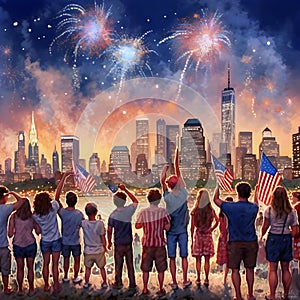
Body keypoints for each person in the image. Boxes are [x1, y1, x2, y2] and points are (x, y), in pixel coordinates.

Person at [213, 182, 258, 300]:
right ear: (249, 193)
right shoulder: (254, 208)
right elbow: (256, 203)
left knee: (235, 269)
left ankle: (238, 295)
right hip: (251, 242)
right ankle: (250, 294)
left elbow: (216, 199)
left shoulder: (230, 207)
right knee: (250, 269)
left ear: (237, 193)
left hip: (235, 242)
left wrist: (218, 185)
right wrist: (257, 191)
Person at [160, 147, 191, 289]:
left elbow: (162, 180)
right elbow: (178, 171)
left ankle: (173, 281)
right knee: (184, 256)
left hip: (171, 232)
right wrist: (176, 160)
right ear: (179, 183)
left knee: (172, 257)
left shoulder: (167, 197)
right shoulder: (184, 194)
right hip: (183, 231)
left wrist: (165, 168)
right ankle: (185, 279)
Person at [261, 186, 299, 300]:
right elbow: (296, 230)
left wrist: (261, 236)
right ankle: (286, 295)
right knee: (286, 269)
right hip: (286, 238)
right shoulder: (292, 211)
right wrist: (287, 237)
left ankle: (272, 295)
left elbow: (265, 226)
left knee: (272, 268)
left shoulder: (268, 210)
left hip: (273, 238)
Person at [135, 188, 171, 297]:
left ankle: (145, 288)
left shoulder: (143, 212)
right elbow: (168, 227)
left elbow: (137, 225)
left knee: (145, 268)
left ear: (148, 200)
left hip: (147, 245)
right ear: (159, 200)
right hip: (159, 244)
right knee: (161, 268)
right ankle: (160, 288)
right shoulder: (163, 212)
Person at [107, 184, 138, 291]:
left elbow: (109, 230)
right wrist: (126, 190)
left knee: (118, 265)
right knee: (130, 264)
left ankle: (118, 282)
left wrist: (109, 242)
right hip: (128, 242)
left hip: (118, 243)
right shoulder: (128, 210)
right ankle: (132, 283)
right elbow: (135, 201)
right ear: (124, 201)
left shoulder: (112, 215)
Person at [55, 171, 84, 284]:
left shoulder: (62, 212)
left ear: (66, 201)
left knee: (66, 259)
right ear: (76, 201)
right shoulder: (79, 214)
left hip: (65, 242)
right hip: (76, 242)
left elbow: (56, 198)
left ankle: (66, 276)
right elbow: (84, 225)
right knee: (77, 260)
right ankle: (76, 276)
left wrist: (64, 178)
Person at [8, 198, 40, 296]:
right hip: (30, 244)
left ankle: (20, 290)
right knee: (30, 268)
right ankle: (31, 289)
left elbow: (9, 234)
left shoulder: (13, 217)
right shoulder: (32, 216)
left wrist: (16, 230)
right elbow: (38, 231)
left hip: (18, 245)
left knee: (19, 268)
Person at [33, 191, 62, 294]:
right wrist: (64, 177)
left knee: (45, 263)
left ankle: (46, 285)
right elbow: (57, 195)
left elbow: (37, 231)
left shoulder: (35, 215)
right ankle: (56, 285)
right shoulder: (53, 208)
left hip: (45, 241)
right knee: (55, 264)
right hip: (56, 240)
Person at [191, 188, 219, 288]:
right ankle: (206, 279)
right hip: (207, 235)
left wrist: (191, 239)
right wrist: (211, 229)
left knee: (198, 260)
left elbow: (192, 227)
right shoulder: (210, 210)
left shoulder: (195, 211)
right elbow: (217, 221)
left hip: (198, 236)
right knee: (207, 259)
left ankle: (198, 279)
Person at [0, 186, 25, 295]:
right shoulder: (5, 209)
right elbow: (22, 201)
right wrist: (13, 193)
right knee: (5, 269)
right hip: (3, 245)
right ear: (4, 197)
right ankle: (5, 288)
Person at [81, 202, 107, 289]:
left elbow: (80, 221)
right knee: (102, 268)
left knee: (87, 268)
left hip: (88, 250)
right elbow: (103, 237)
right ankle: (104, 282)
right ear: (96, 212)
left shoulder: (84, 223)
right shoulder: (100, 223)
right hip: (99, 250)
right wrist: (105, 247)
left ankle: (86, 282)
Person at [216, 196, 233, 285]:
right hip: (228, 239)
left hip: (222, 238)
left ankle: (222, 276)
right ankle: (224, 278)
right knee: (228, 260)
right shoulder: (230, 217)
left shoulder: (221, 215)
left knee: (223, 260)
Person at [293, 192, 300, 272]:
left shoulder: (296, 208)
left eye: (293, 197)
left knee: (296, 257)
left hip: (298, 236)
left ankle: (296, 279)